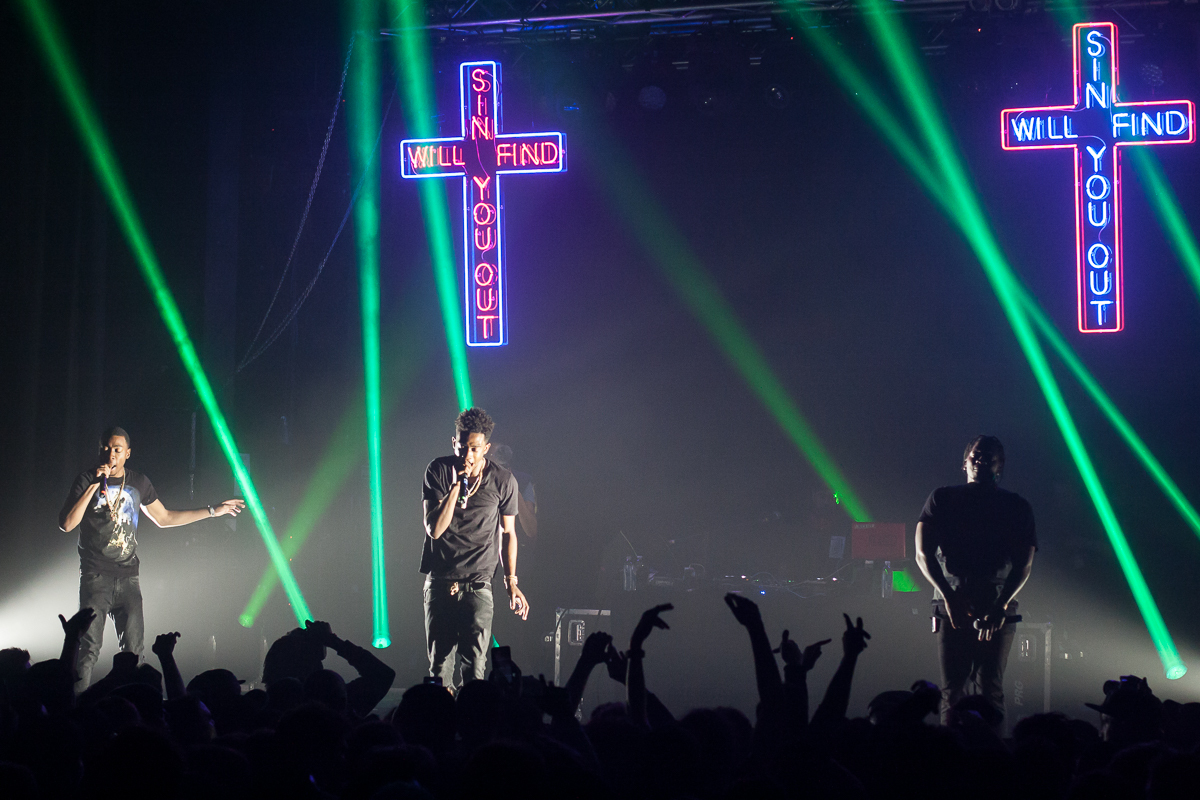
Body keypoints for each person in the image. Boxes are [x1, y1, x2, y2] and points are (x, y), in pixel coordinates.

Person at [58, 426, 244, 693]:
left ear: (128, 454)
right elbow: (66, 524)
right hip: (95, 575)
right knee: (88, 650)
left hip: (128, 577)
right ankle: (73, 710)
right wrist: (92, 485)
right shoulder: (86, 479)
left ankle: (135, 708)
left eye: (117, 450)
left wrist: (214, 511)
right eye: (106, 449)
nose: (111, 454)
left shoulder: (138, 483)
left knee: (134, 652)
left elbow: (164, 518)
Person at [914, 434, 1037, 725]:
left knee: (989, 690)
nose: (981, 460)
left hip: (994, 602)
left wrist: (1000, 606)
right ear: (965, 462)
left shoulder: (1017, 506)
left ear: (1000, 465)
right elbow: (922, 554)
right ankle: (955, 758)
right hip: (953, 601)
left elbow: (1024, 565)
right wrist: (948, 596)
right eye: (976, 455)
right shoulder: (942, 497)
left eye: (989, 455)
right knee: (954, 692)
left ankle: (990, 760)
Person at [420, 408, 529, 691]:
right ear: (453, 442)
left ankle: (471, 729)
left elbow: (508, 534)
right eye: (462, 445)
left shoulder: (503, 481)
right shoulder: (438, 471)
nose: (467, 454)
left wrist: (511, 581)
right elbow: (434, 529)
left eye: (474, 448)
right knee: (439, 669)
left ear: (486, 448)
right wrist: (458, 485)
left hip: (479, 585)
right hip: (441, 582)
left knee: (475, 672)